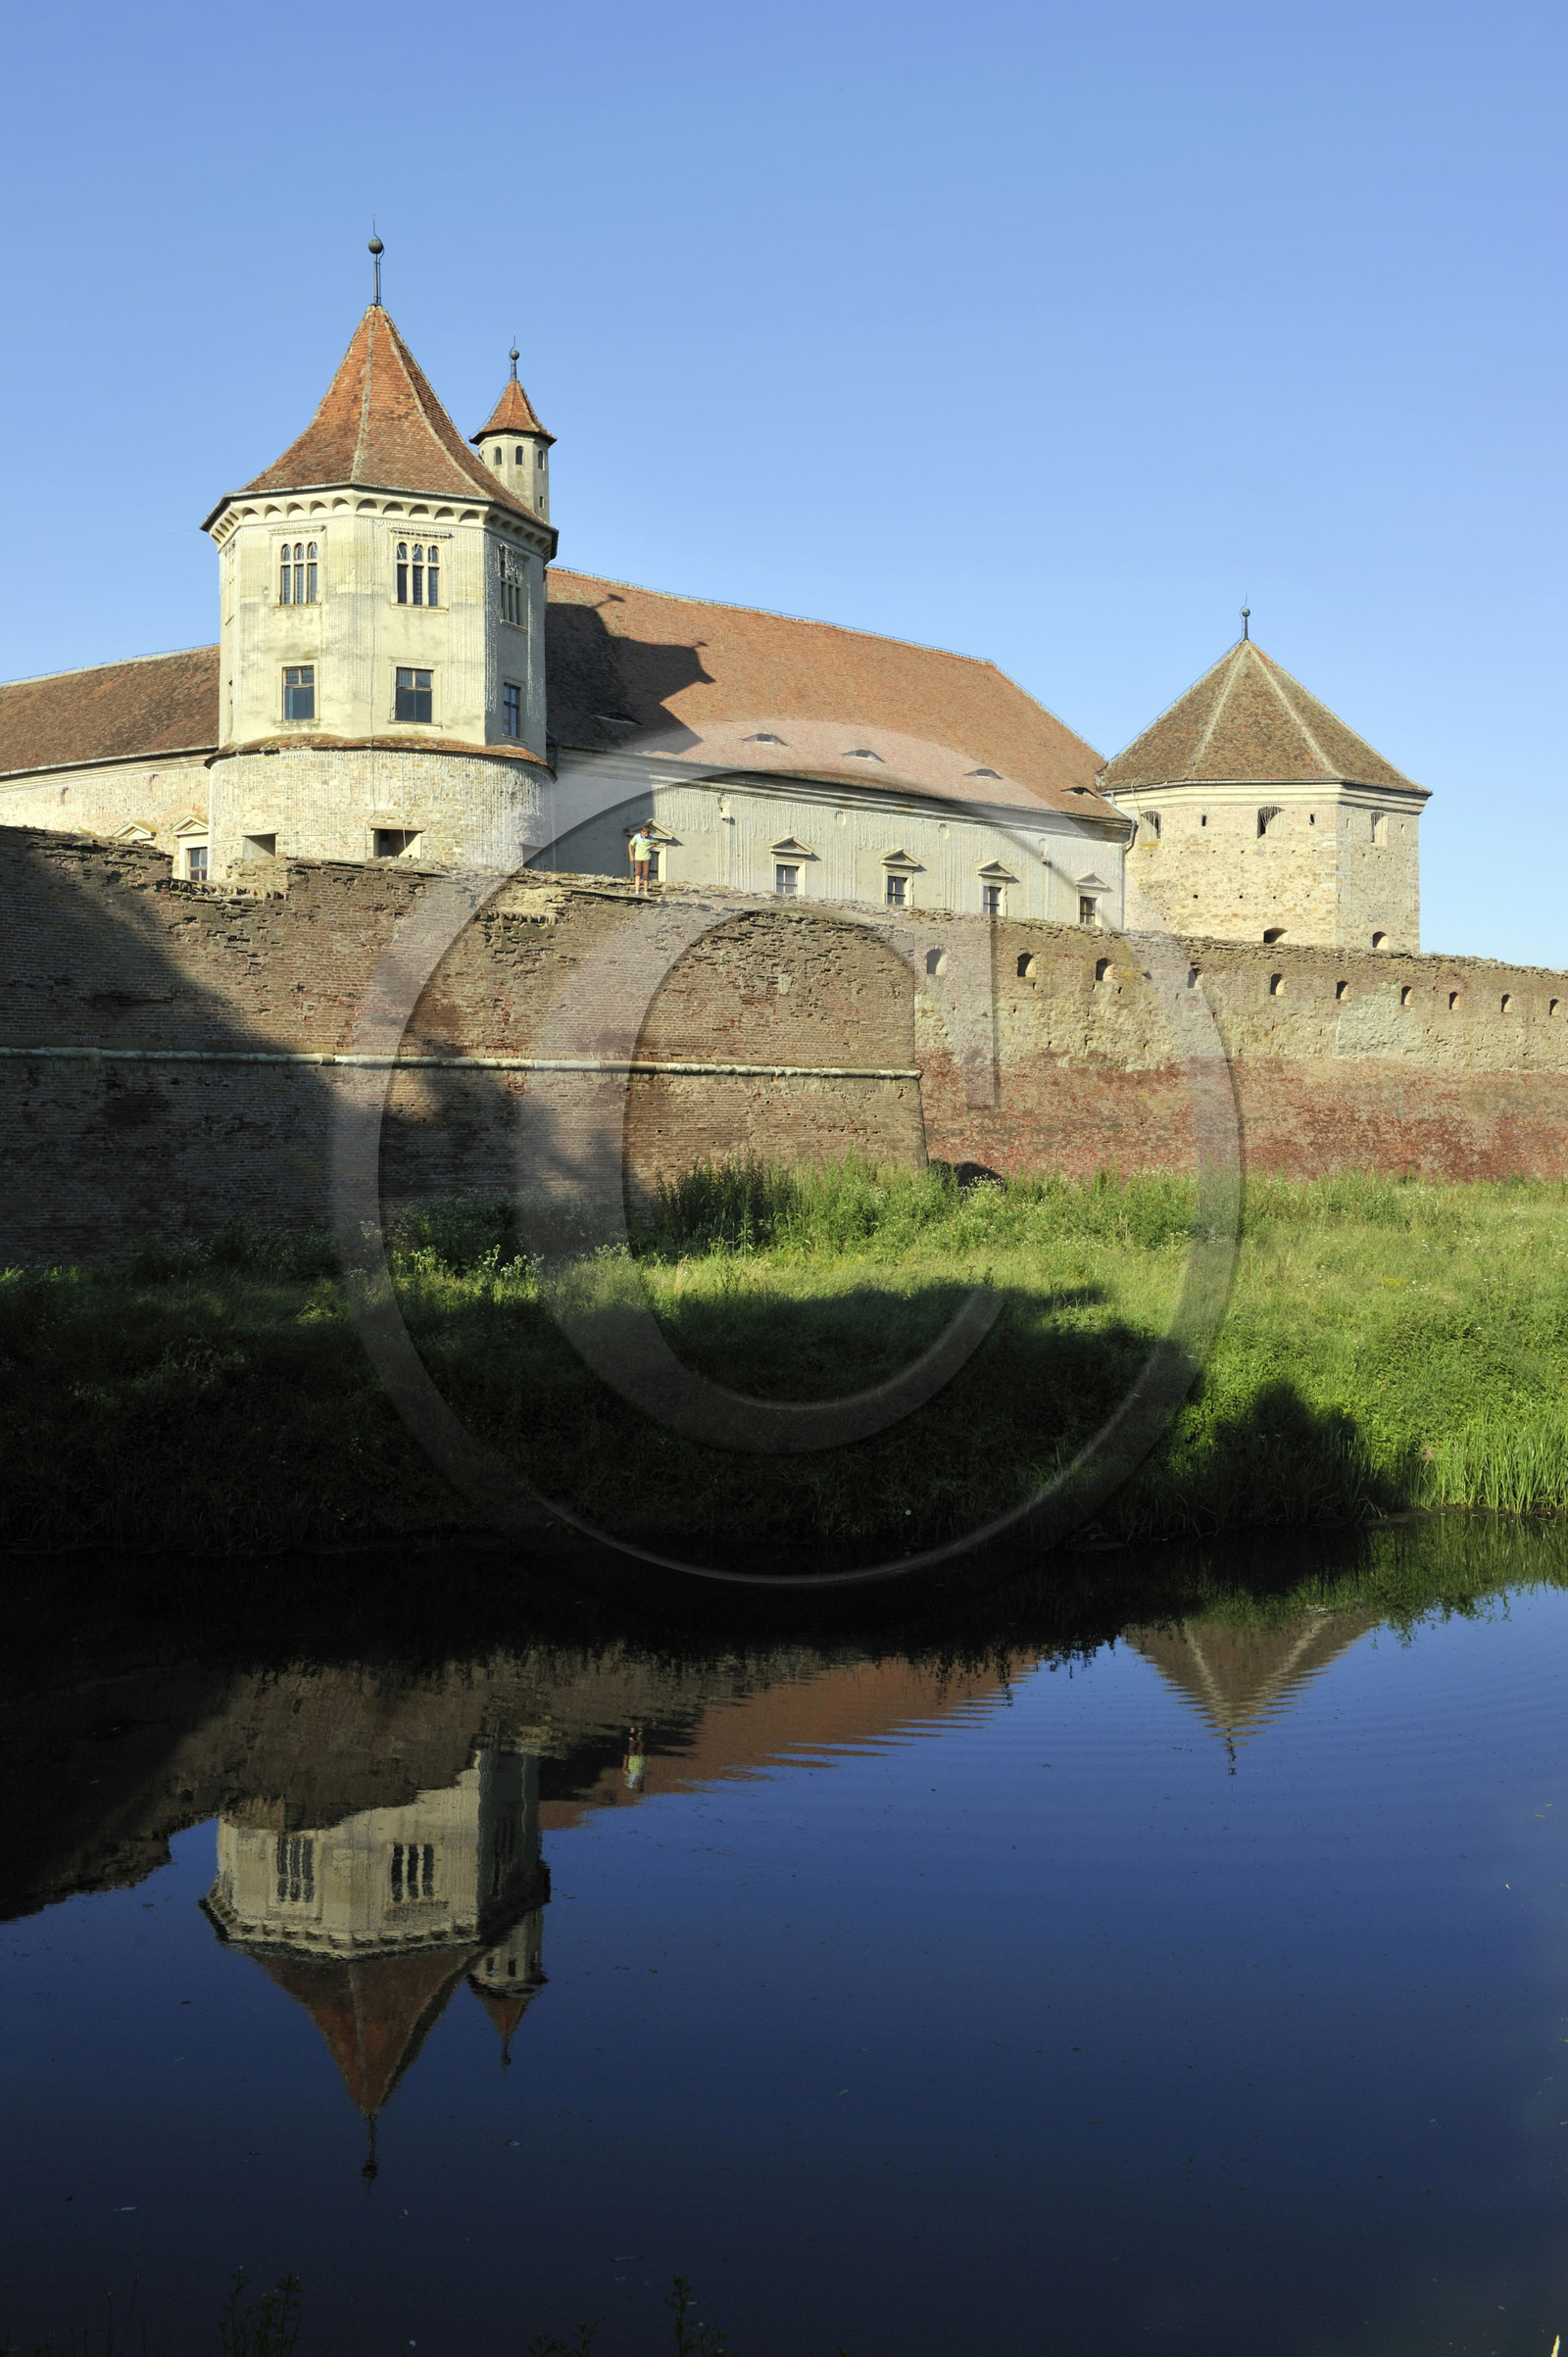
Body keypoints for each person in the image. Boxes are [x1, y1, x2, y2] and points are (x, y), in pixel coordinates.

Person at [627, 827, 655, 895]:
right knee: (637, 874)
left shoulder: (650, 838)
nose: (646, 835)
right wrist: (631, 855)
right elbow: (630, 845)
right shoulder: (637, 837)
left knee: (646, 875)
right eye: (645, 833)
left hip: (647, 858)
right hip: (638, 858)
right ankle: (637, 891)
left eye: (648, 834)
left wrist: (650, 846)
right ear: (642, 831)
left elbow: (656, 842)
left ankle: (646, 892)